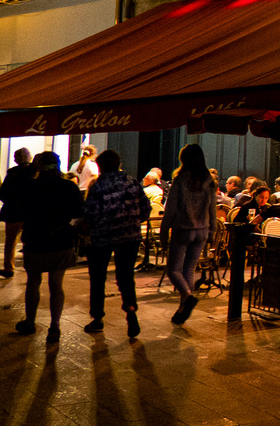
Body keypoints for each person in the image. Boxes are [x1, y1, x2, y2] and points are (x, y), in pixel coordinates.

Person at [13, 152, 85, 344]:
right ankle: (54, 324)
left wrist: (30, 171)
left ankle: (30, 321)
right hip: (60, 238)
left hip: (35, 237)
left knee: (33, 282)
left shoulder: (30, 186)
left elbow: (15, 200)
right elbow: (79, 211)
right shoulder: (68, 186)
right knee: (56, 284)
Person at [82, 150, 147, 338]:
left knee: (98, 277)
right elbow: (145, 209)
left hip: (103, 237)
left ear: (101, 166)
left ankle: (97, 318)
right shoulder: (132, 182)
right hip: (130, 236)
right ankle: (131, 308)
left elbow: (91, 214)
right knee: (126, 276)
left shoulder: (98, 185)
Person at [161, 144, 218, 325]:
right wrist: (212, 231)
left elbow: (170, 209)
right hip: (202, 229)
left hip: (182, 229)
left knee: (173, 270)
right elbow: (212, 209)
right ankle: (182, 309)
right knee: (189, 270)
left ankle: (187, 296)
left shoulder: (180, 179)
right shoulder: (209, 180)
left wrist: (164, 231)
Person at [0, 148, 36, 278]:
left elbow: (3, 193)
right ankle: (30, 266)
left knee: (11, 242)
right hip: (31, 212)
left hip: (13, 212)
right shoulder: (35, 172)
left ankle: (9, 267)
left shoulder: (12, 173)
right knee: (30, 240)